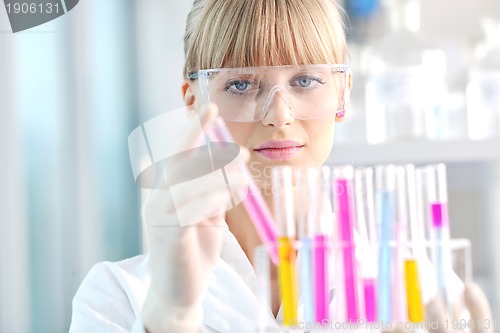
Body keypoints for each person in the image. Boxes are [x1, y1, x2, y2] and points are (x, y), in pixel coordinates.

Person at [69, 1, 494, 332]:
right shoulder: (116, 297)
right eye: (240, 84)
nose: (278, 115)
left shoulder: (421, 288)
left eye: (304, 81)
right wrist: (169, 317)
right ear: (192, 100)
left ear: (343, 93)